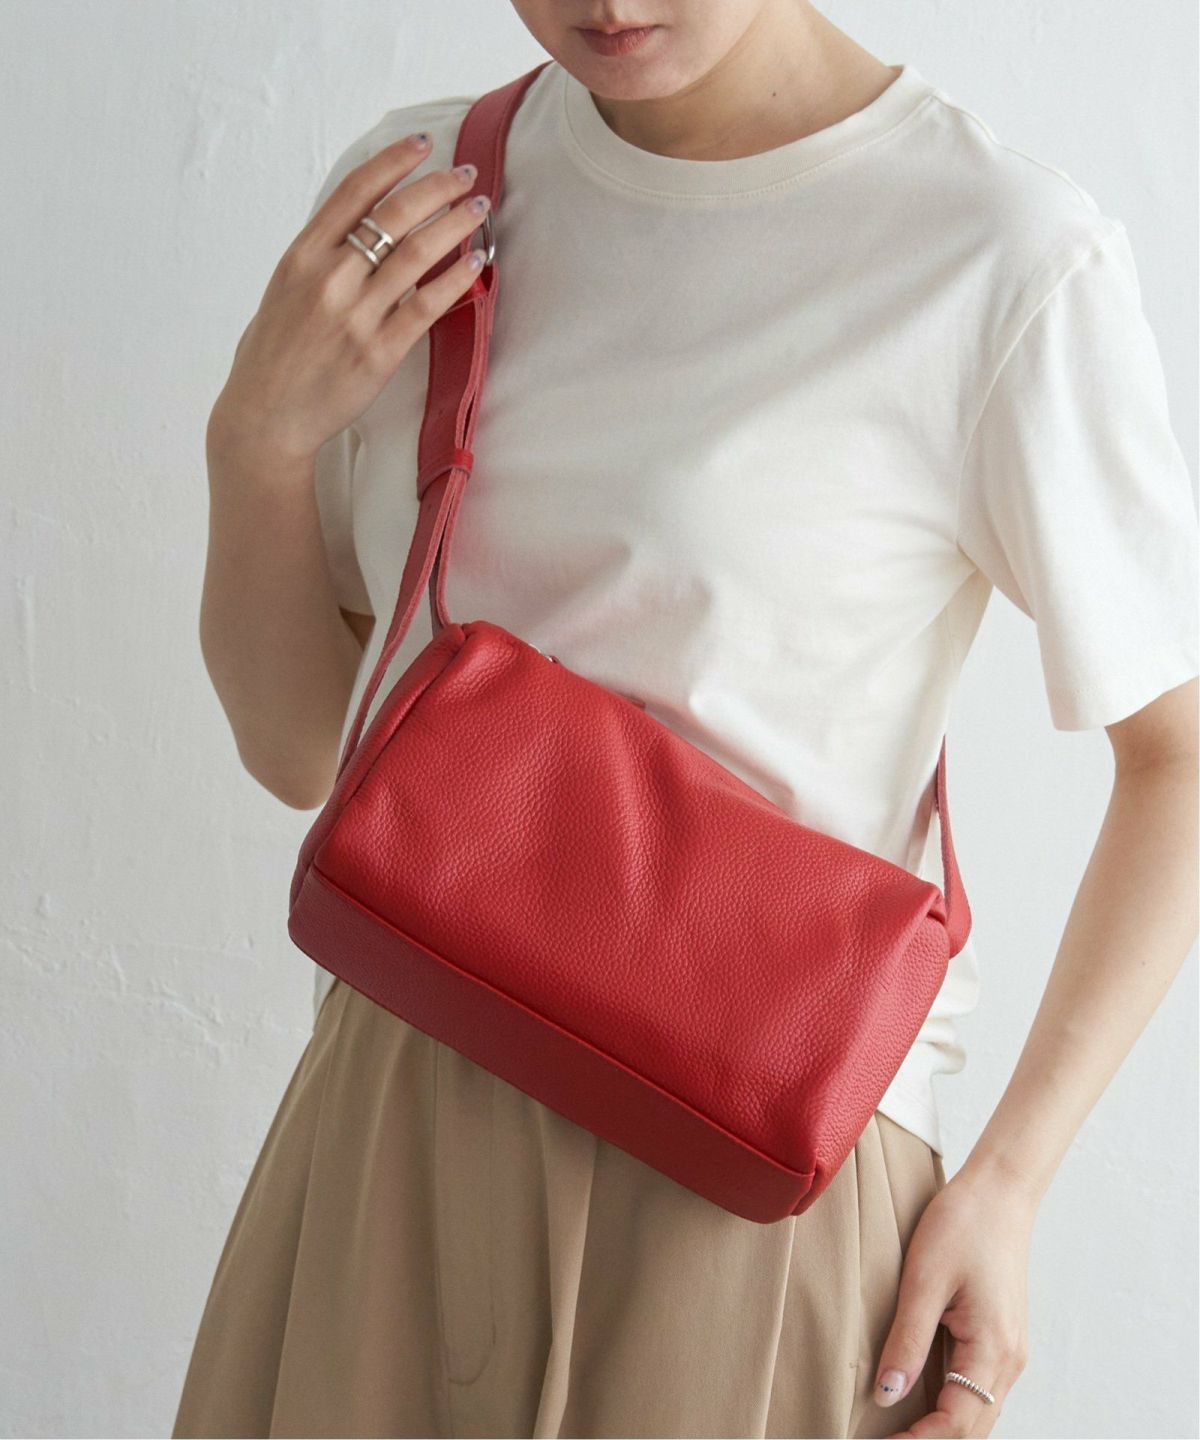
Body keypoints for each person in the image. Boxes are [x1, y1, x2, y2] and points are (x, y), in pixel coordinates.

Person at [173, 2, 1199, 1436]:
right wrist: (256, 443)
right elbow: (298, 749)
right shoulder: (420, 192)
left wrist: (1012, 1183)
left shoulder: (995, 251)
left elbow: (1177, 760)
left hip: (751, 1186)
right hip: (392, 1120)